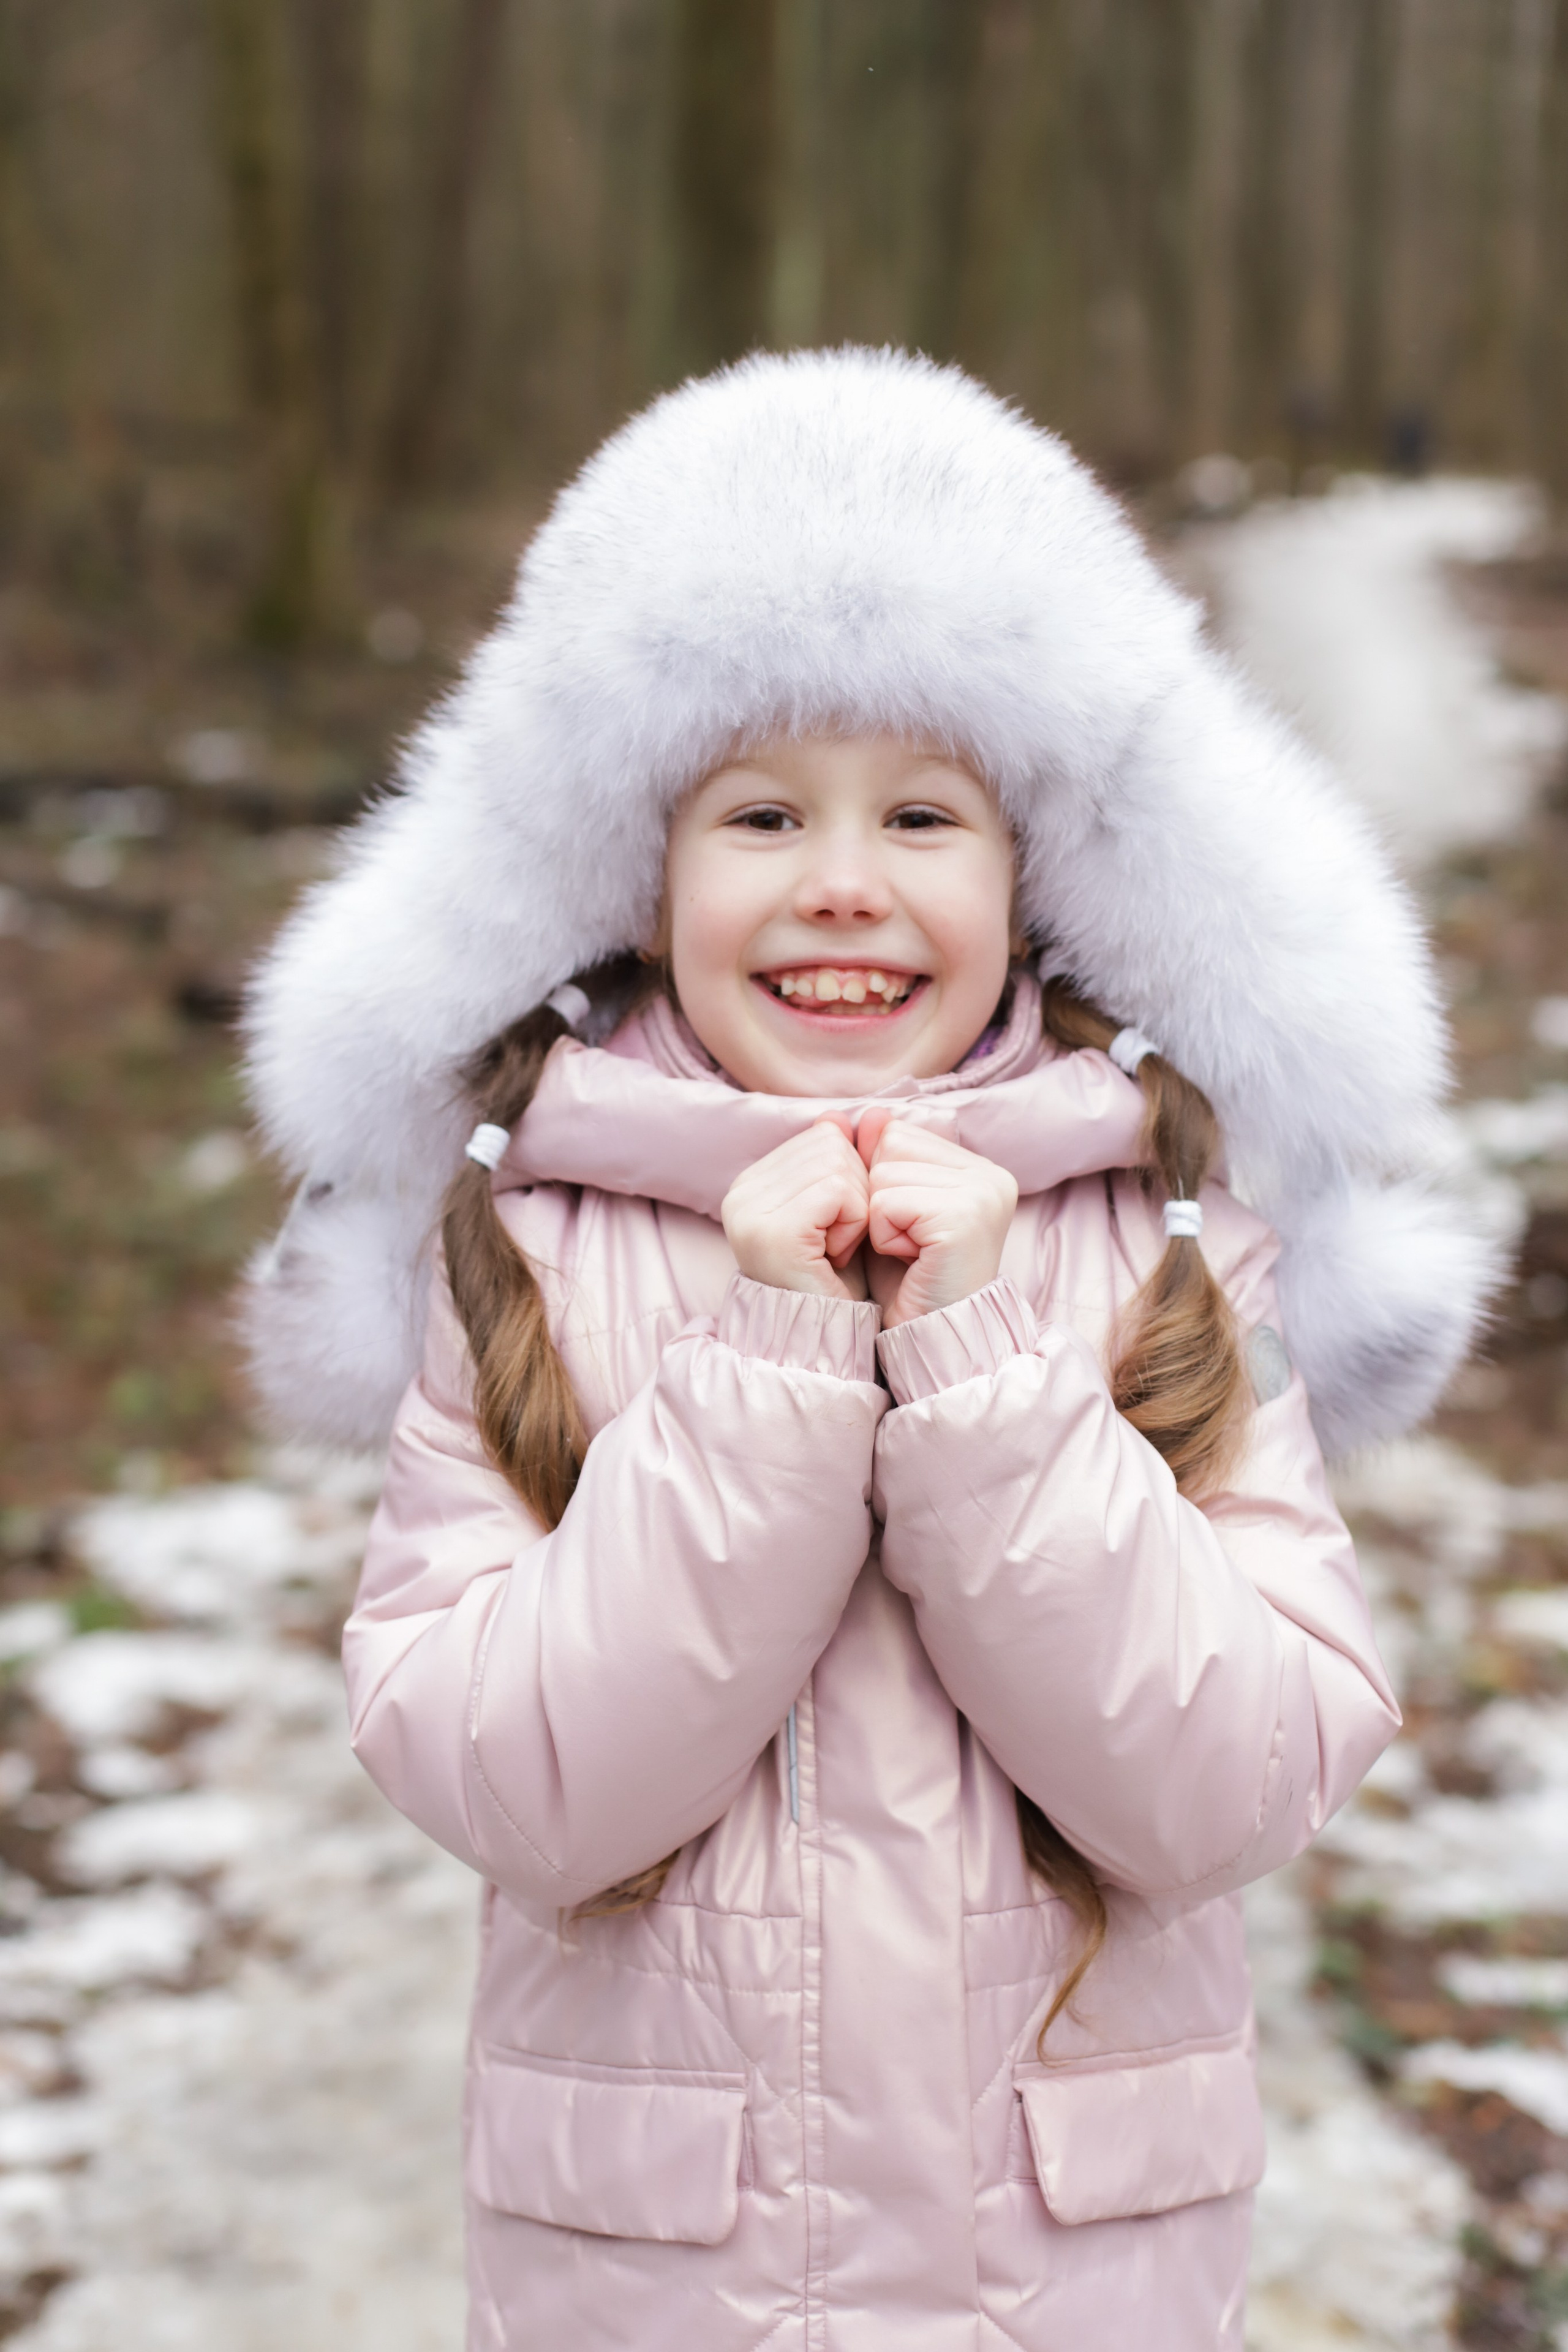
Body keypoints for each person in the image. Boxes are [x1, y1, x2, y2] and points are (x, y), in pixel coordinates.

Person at [243, 349, 1492, 2350]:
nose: (843, 880)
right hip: (664, 2290)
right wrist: (766, 1369)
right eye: (758, 811)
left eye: (924, 810)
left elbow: (1232, 1784)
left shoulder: (1163, 1241)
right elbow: (515, 1781)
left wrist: (993, 1373)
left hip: (1074, 2285)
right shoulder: (531, 1245)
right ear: (638, 882)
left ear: (1041, 878)